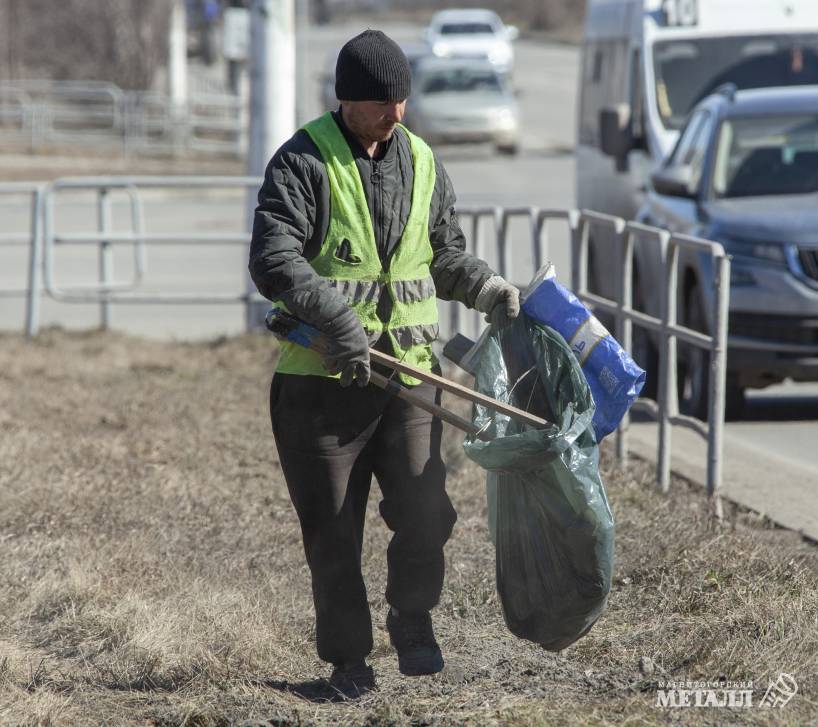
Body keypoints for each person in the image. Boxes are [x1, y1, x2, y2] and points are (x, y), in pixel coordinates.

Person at [248, 29, 519, 696]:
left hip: (405, 380)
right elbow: (272, 258)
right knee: (334, 534)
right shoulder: (303, 161)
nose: (396, 114)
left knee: (429, 510)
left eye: (402, 101)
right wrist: (336, 320)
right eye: (381, 104)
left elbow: (445, 253)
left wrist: (488, 288)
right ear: (347, 100)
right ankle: (348, 662)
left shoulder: (424, 161)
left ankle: (413, 618)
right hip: (320, 390)